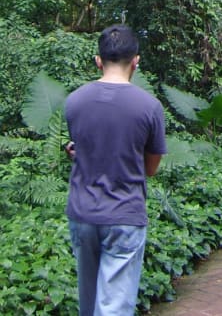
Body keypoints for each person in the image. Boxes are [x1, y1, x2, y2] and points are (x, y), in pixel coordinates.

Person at [64, 24, 167, 316]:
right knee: (114, 307)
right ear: (136, 60)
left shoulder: (75, 101)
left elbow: (88, 147)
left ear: (98, 60)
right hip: (124, 213)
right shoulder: (149, 106)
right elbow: (150, 168)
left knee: (89, 301)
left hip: (82, 213)